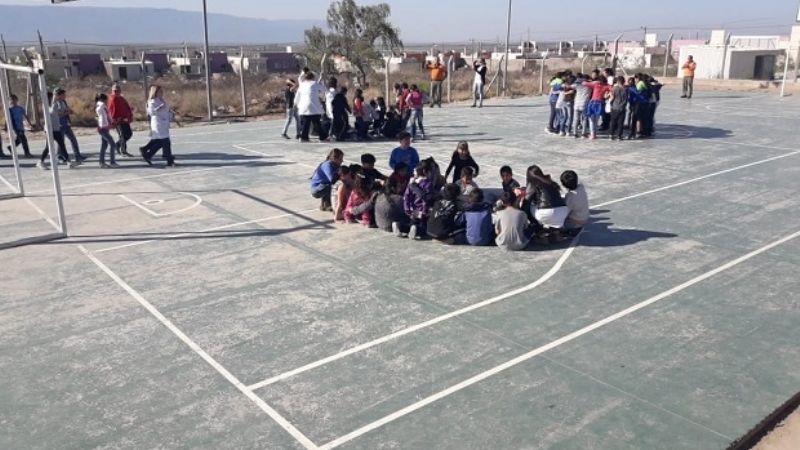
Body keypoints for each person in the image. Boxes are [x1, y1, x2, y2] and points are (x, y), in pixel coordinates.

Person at [524, 165, 568, 239]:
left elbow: (526, 202)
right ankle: (555, 229)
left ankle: (537, 228)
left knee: (528, 206)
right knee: (548, 211)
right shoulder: (549, 180)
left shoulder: (532, 184)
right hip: (563, 212)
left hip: (547, 213)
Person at [139, 85, 176, 167]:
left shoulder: (162, 100)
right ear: (155, 92)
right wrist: (160, 107)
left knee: (160, 142)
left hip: (164, 123)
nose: (161, 93)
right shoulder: (152, 101)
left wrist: (171, 114)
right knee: (165, 141)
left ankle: (147, 154)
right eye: (160, 91)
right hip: (158, 124)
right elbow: (152, 112)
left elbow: (166, 110)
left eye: (162, 91)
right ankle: (169, 160)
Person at [38, 92, 74, 170]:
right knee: (48, 147)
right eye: (51, 97)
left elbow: (58, 114)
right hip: (49, 130)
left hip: (56, 128)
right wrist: (54, 102)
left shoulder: (54, 104)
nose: (52, 99)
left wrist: (66, 112)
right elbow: (51, 112)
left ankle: (68, 162)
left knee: (62, 145)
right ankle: (40, 162)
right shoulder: (46, 105)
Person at [52, 88, 86, 162]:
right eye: (63, 94)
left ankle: (77, 155)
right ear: (59, 95)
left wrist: (70, 111)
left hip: (66, 124)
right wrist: (65, 113)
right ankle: (60, 156)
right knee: (61, 142)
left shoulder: (63, 102)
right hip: (59, 125)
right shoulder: (55, 104)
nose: (65, 96)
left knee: (73, 139)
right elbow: (57, 114)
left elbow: (66, 109)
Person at [403, 162, 435, 240]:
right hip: (421, 210)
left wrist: (407, 208)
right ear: (425, 171)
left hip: (413, 209)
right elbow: (426, 199)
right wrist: (424, 211)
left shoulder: (412, 182)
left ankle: (399, 226)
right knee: (424, 229)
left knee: (412, 223)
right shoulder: (428, 184)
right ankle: (416, 229)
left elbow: (406, 196)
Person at [295, 71, 327, 142]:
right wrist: (321, 79)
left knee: (306, 122)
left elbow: (298, 95)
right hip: (313, 106)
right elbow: (324, 89)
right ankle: (322, 136)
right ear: (312, 77)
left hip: (304, 107)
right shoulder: (314, 84)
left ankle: (304, 137)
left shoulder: (302, 85)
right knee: (317, 122)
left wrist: (296, 103)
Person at [108, 83, 134, 156]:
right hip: (118, 120)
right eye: (115, 91)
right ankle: (123, 151)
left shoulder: (121, 98)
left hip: (124, 119)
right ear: (112, 91)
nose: (117, 92)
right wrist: (113, 120)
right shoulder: (112, 99)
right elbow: (112, 110)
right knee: (122, 135)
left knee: (129, 134)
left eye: (118, 90)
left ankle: (117, 145)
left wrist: (129, 115)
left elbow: (126, 107)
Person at [94, 93, 118, 168]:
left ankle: (102, 162)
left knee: (104, 145)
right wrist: (109, 124)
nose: (107, 101)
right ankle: (112, 162)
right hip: (103, 128)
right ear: (103, 99)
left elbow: (102, 117)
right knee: (112, 144)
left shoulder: (99, 106)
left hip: (103, 127)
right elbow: (104, 117)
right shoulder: (102, 106)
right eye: (106, 99)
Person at [609, 76, 629, 141]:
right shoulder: (626, 89)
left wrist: (610, 103)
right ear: (623, 81)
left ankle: (611, 135)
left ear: (618, 81)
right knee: (620, 123)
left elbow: (612, 98)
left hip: (614, 107)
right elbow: (626, 99)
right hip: (622, 108)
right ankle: (619, 136)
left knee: (613, 122)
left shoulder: (614, 89)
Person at [573, 73, 591, 138]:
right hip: (584, 104)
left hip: (576, 104)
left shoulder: (577, 85)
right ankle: (583, 133)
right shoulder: (589, 86)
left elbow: (571, 85)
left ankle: (575, 133)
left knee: (576, 119)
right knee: (584, 119)